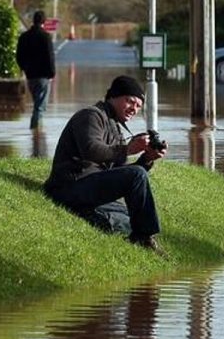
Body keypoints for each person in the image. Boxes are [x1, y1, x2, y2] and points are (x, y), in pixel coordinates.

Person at [44, 75, 168, 253]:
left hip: (88, 187)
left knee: (130, 217)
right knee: (134, 185)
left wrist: (147, 159)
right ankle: (143, 239)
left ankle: (133, 231)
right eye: (130, 101)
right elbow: (91, 150)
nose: (134, 109)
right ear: (113, 96)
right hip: (68, 187)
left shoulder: (115, 127)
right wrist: (128, 149)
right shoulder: (90, 115)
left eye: (138, 106)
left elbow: (120, 174)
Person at [16, 10, 56, 129]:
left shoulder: (24, 37)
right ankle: (36, 132)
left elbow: (19, 56)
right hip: (43, 76)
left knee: (37, 104)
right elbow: (50, 56)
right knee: (40, 106)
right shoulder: (45, 36)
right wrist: (52, 72)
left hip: (30, 76)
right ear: (44, 21)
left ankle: (37, 131)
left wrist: (24, 68)